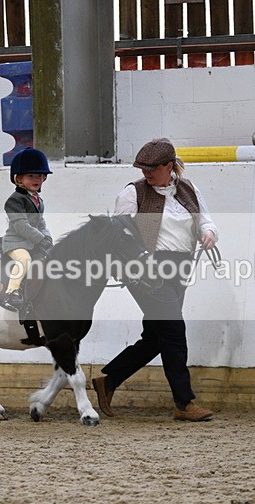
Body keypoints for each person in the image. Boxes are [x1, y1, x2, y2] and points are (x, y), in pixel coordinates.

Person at [92, 138, 218, 422]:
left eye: (152, 169)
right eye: (142, 169)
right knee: (174, 331)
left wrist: (208, 233)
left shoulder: (188, 189)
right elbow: (119, 235)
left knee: (157, 337)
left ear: (169, 166)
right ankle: (184, 403)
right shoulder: (132, 193)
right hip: (146, 270)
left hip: (179, 268)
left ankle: (109, 380)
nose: (146, 174)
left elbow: (205, 220)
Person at [1, 147, 54, 311]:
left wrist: (48, 238)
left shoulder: (38, 199)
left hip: (33, 241)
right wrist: (40, 239)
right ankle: (12, 293)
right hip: (16, 242)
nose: (36, 179)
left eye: (39, 175)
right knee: (24, 260)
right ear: (18, 178)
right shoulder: (14, 201)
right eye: (31, 175)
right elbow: (21, 225)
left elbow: (40, 223)